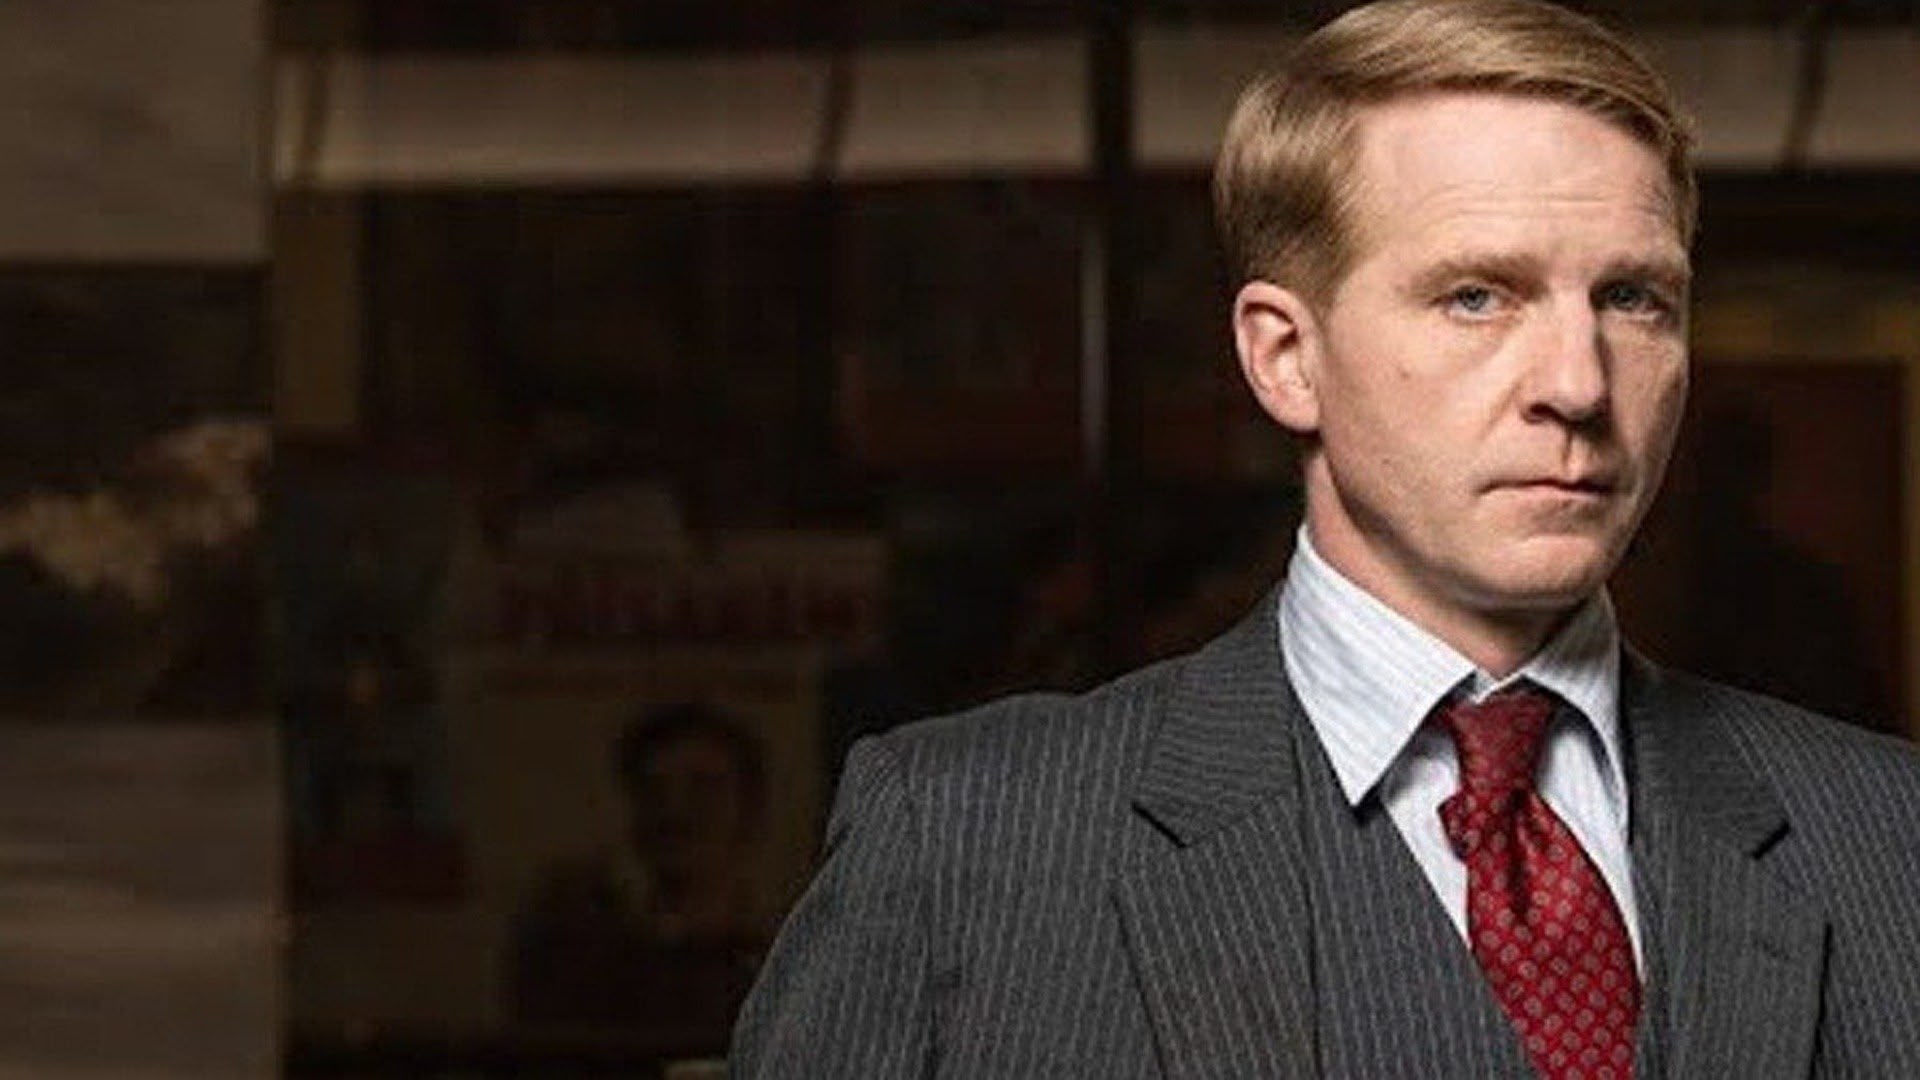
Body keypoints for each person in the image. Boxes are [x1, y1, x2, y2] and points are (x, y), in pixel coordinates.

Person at [732, 0, 1920, 1076]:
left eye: (1632, 299)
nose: (1578, 382)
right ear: (1285, 357)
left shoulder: (1887, 838)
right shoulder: (965, 848)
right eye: (1476, 296)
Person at [509, 703, 769, 1042]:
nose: (674, 811)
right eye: (654, 791)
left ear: (747, 811)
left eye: (703, 788)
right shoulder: (592, 954)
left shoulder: (781, 961)